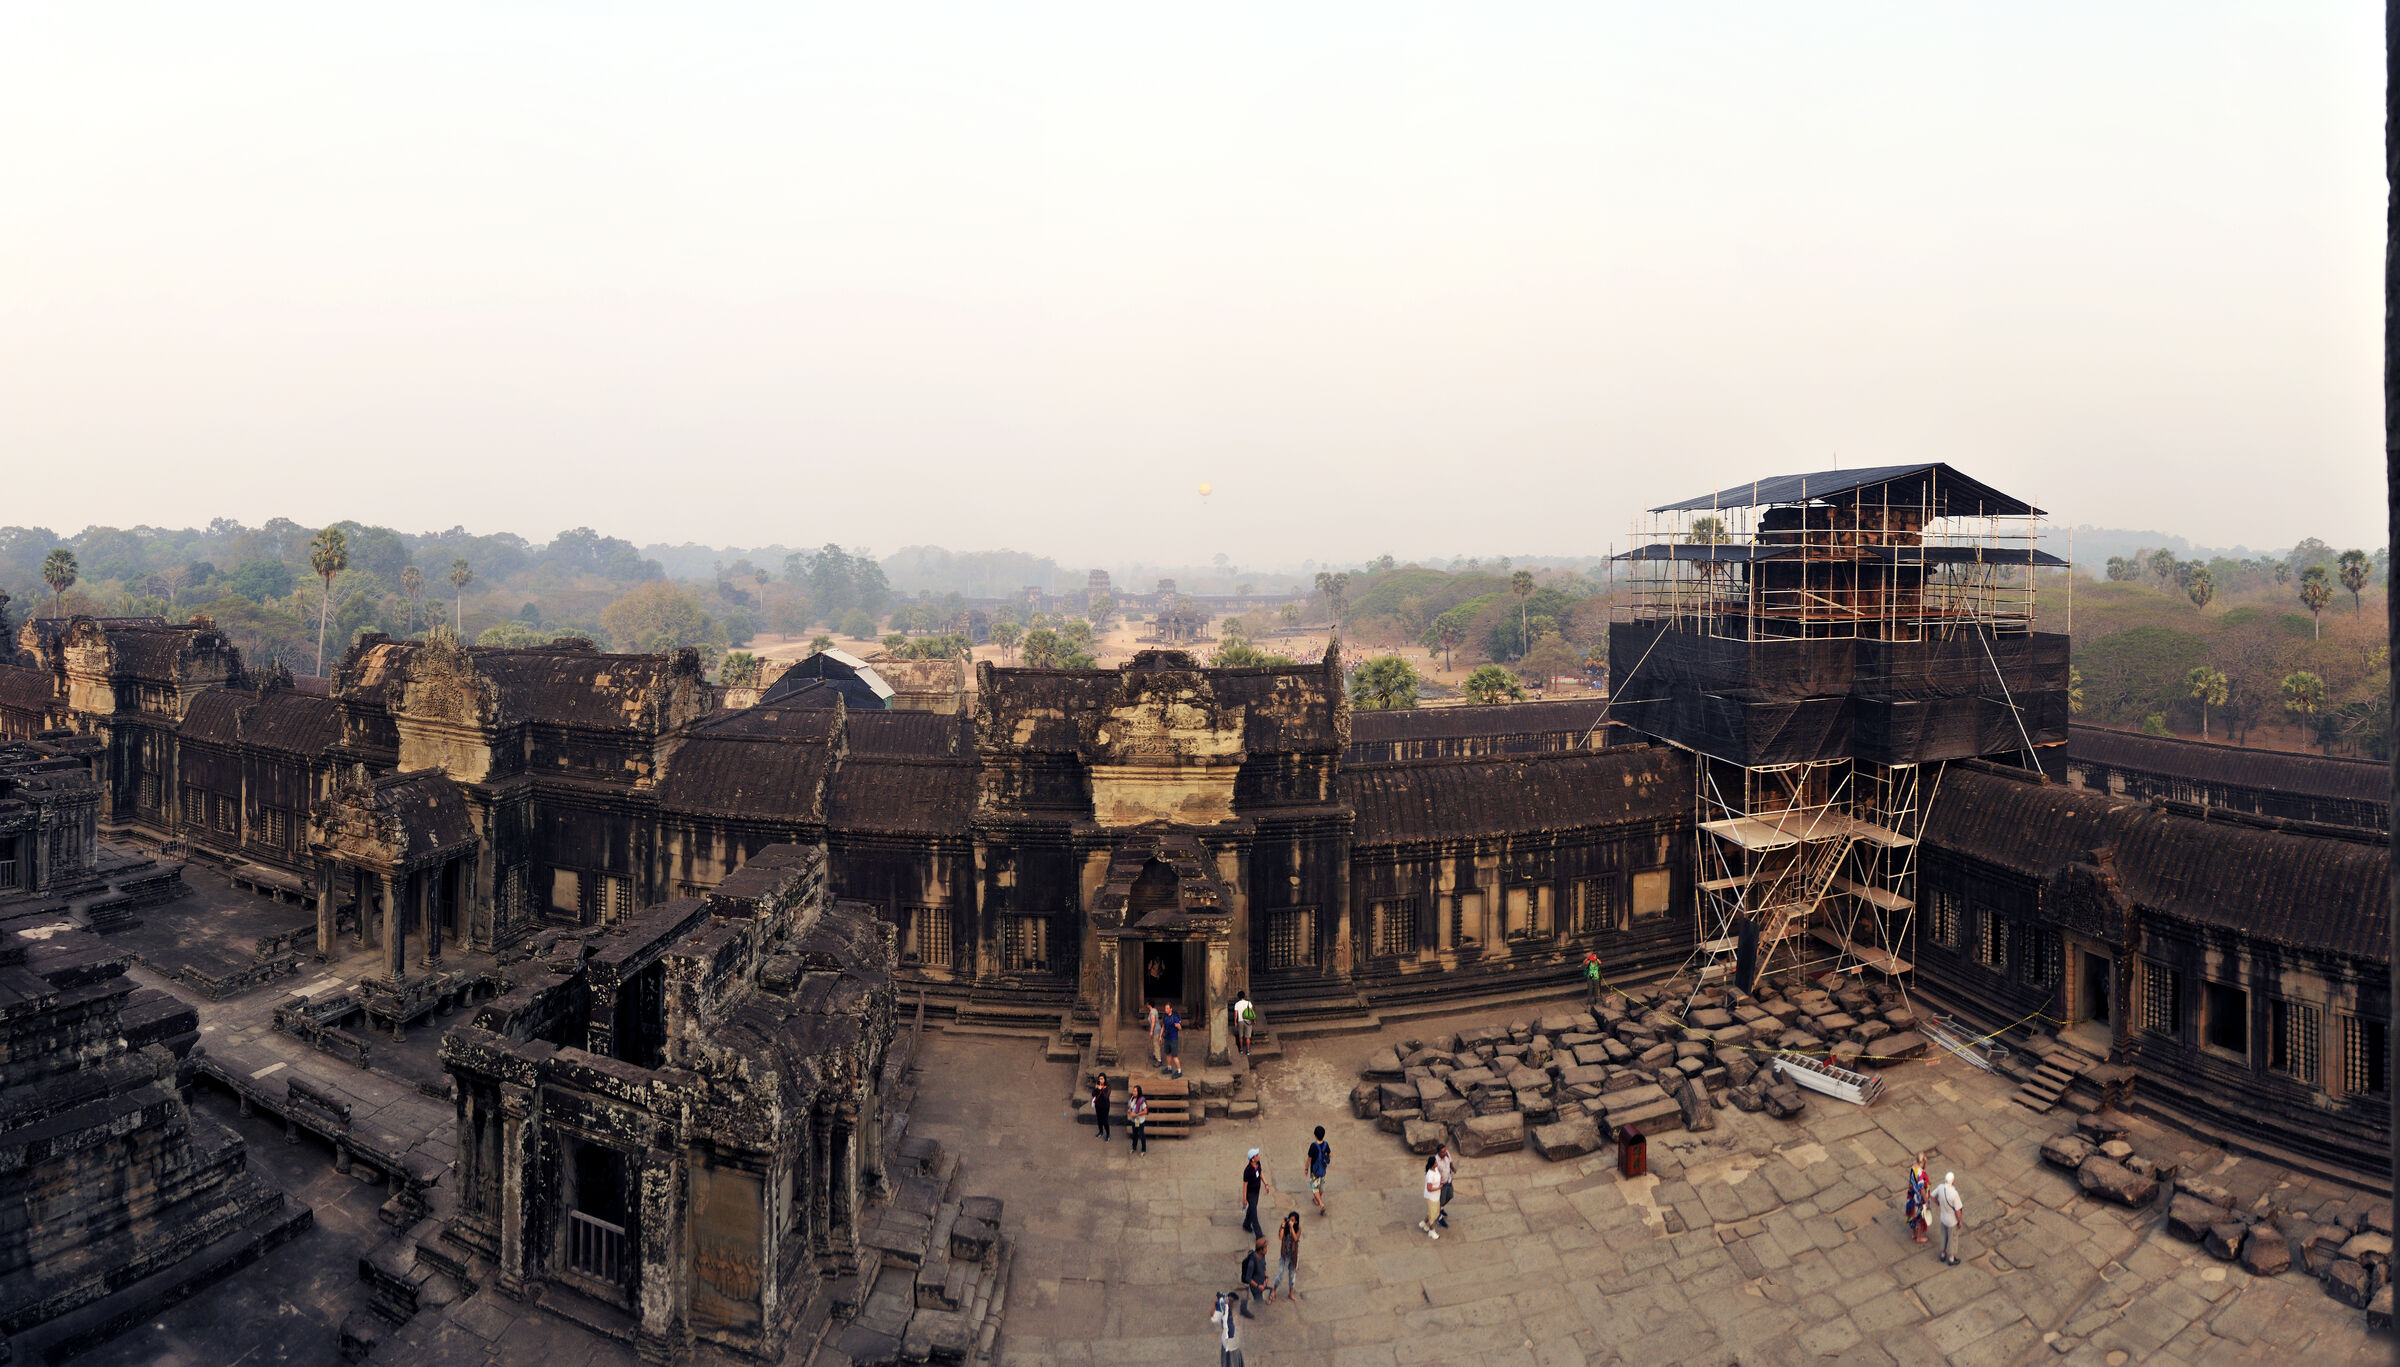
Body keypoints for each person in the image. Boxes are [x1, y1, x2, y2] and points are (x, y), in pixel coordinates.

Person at [1930, 1170, 1967, 1265]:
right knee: (1952, 1238)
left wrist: (1938, 1203)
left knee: (1943, 1236)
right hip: (1952, 1221)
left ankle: (1942, 1254)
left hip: (1943, 1218)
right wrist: (1960, 1221)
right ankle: (1951, 1258)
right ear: (1953, 1181)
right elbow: (1958, 1210)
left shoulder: (1940, 1187)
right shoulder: (1954, 1194)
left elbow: (1932, 1196)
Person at [1267, 1211, 1302, 1302]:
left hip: (1293, 1256)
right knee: (1280, 1275)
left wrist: (1291, 1228)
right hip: (1284, 1256)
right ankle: (1274, 1290)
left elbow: (1295, 1238)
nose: (1291, 1221)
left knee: (1292, 1276)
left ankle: (1291, 1293)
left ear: (1296, 1222)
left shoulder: (1298, 1229)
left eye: (1293, 1220)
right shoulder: (1285, 1226)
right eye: (1290, 1219)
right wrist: (1283, 1226)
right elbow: (1280, 1237)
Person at [1210, 1291, 1245, 1366]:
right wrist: (1215, 1303)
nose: (1231, 1303)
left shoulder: (1234, 1312)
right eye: (1229, 1301)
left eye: (1232, 1301)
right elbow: (1212, 1315)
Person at [1240, 1148, 1269, 1238]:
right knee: (1254, 1215)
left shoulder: (1258, 1164)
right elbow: (1245, 1186)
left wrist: (1266, 1184)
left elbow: (1261, 1173)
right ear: (1252, 1159)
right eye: (1257, 1155)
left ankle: (1246, 1224)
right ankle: (1259, 1235)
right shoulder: (1247, 1171)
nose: (1259, 1156)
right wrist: (1244, 1199)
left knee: (1252, 1209)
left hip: (1256, 1192)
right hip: (1250, 1195)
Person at [1238, 1236, 1269, 1317]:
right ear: (1260, 1250)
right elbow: (1248, 1278)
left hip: (1261, 1283)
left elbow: (1263, 1265)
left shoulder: (1263, 1255)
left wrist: (1266, 1275)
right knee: (1259, 1302)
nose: (1267, 1250)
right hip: (1256, 1287)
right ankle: (1245, 1310)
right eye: (1265, 1248)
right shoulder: (1252, 1262)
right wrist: (1258, 1286)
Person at [1305, 1125, 1332, 1216]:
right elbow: (1330, 1155)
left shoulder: (1313, 1146)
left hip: (1315, 1171)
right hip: (1323, 1170)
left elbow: (1309, 1160)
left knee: (1314, 1187)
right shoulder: (1326, 1144)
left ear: (1315, 1135)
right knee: (1321, 1186)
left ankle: (1320, 1203)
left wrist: (1306, 1169)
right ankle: (1317, 1200)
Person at [1904, 1155, 1931, 1245]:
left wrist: (1925, 1162)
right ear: (1922, 1161)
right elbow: (1922, 1188)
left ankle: (1913, 1234)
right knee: (1919, 1217)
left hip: (1912, 1194)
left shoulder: (1913, 1166)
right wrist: (1926, 1201)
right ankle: (1919, 1237)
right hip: (1919, 1198)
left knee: (1912, 1213)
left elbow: (1922, 1169)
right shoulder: (1920, 1174)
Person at [1417, 1154, 1442, 1239]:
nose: (1436, 1162)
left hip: (1436, 1196)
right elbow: (1429, 1188)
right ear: (1432, 1164)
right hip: (1431, 1197)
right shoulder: (1430, 1175)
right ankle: (1432, 1232)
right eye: (1435, 1162)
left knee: (1436, 1212)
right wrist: (1439, 1187)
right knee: (1432, 1215)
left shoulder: (1436, 1170)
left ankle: (1423, 1223)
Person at [1434, 1143, 1456, 1229]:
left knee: (1450, 1196)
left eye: (1445, 1151)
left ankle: (1441, 1208)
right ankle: (1439, 1218)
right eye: (1442, 1152)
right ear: (1438, 1152)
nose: (1444, 1153)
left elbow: (1450, 1162)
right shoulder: (1436, 1162)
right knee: (1440, 1201)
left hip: (1448, 1180)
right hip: (1441, 1184)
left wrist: (1453, 1168)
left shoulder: (1447, 1154)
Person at [1127, 1084, 1149, 1155]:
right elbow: (1130, 1106)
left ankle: (1143, 1150)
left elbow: (1145, 1111)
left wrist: (1136, 1114)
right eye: (1133, 1091)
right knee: (1135, 1134)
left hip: (1140, 1121)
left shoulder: (1141, 1100)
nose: (1133, 1092)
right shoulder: (1132, 1098)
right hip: (1135, 1120)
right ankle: (1134, 1147)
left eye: (1135, 1091)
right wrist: (1129, 1110)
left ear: (1139, 1092)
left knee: (1141, 1134)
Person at [1162, 1006, 1183, 1080]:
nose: (1166, 1010)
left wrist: (1178, 1026)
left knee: (1174, 1056)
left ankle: (1179, 1071)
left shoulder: (1175, 1017)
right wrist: (1160, 1036)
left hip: (1173, 1039)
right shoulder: (1165, 1017)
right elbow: (1163, 1026)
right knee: (1167, 1053)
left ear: (1171, 1009)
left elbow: (1180, 1028)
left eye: (1167, 1008)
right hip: (1167, 1038)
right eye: (1165, 1008)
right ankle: (1169, 1068)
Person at [1091, 1071, 1111, 1142]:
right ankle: (1101, 1131)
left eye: (1102, 1079)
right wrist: (1096, 1088)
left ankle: (1108, 1134)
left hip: (1105, 1106)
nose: (1101, 1080)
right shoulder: (1097, 1084)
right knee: (1099, 1119)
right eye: (1100, 1079)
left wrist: (1101, 1089)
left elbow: (1106, 1096)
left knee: (1105, 1120)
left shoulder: (1108, 1086)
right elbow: (1093, 1094)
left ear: (1105, 1079)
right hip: (1098, 1105)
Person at [1234, 992, 1255, 1056]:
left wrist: (1235, 1022)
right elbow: (1252, 1012)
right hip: (1248, 1020)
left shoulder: (1237, 1004)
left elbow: (1236, 1014)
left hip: (1240, 1021)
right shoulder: (1249, 1003)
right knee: (1247, 1037)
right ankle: (1248, 1051)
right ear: (1244, 996)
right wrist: (1254, 1020)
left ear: (1238, 997)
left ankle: (1241, 1049)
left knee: (1241, 1036)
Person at [1146, 1001, 1163, 1067]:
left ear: (1149, 1005)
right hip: (1158, 1028)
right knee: (1154, 1042)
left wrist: (1151, 1031)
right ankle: (1155, 1054)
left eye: (1147, 1004)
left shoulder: (1152, 1012)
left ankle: (1159, 1060)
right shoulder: (1155, 1010)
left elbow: (1153, 1022)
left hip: (1155, 1030)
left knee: (1156, 1044)